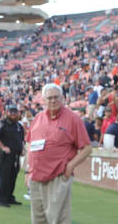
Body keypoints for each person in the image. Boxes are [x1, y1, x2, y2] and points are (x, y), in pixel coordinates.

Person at [26, 83, 91, 224]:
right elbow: (29, 145)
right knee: (38, 220)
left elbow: (87, 148)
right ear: (43, 100)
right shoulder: (38, 118)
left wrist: (70, 166)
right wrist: (27, 172)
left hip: (57, 177)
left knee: (58, 220)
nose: (53, 101)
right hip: (36, 178)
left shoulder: (73, 119)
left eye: (56, 97)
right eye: (49, 98)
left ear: (62, 98)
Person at [0, 106, 24, 208]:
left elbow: (21, 139)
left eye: (15, 112)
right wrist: (3, 147)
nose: (13, 114)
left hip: (16, 156)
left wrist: (23, 149)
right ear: (6, 112)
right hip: (5, 156)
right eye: (11, 112)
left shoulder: (19, 125)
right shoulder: (2, 123)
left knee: (13, 177)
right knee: (5, 177)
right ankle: (2, 199)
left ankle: (10, 197)